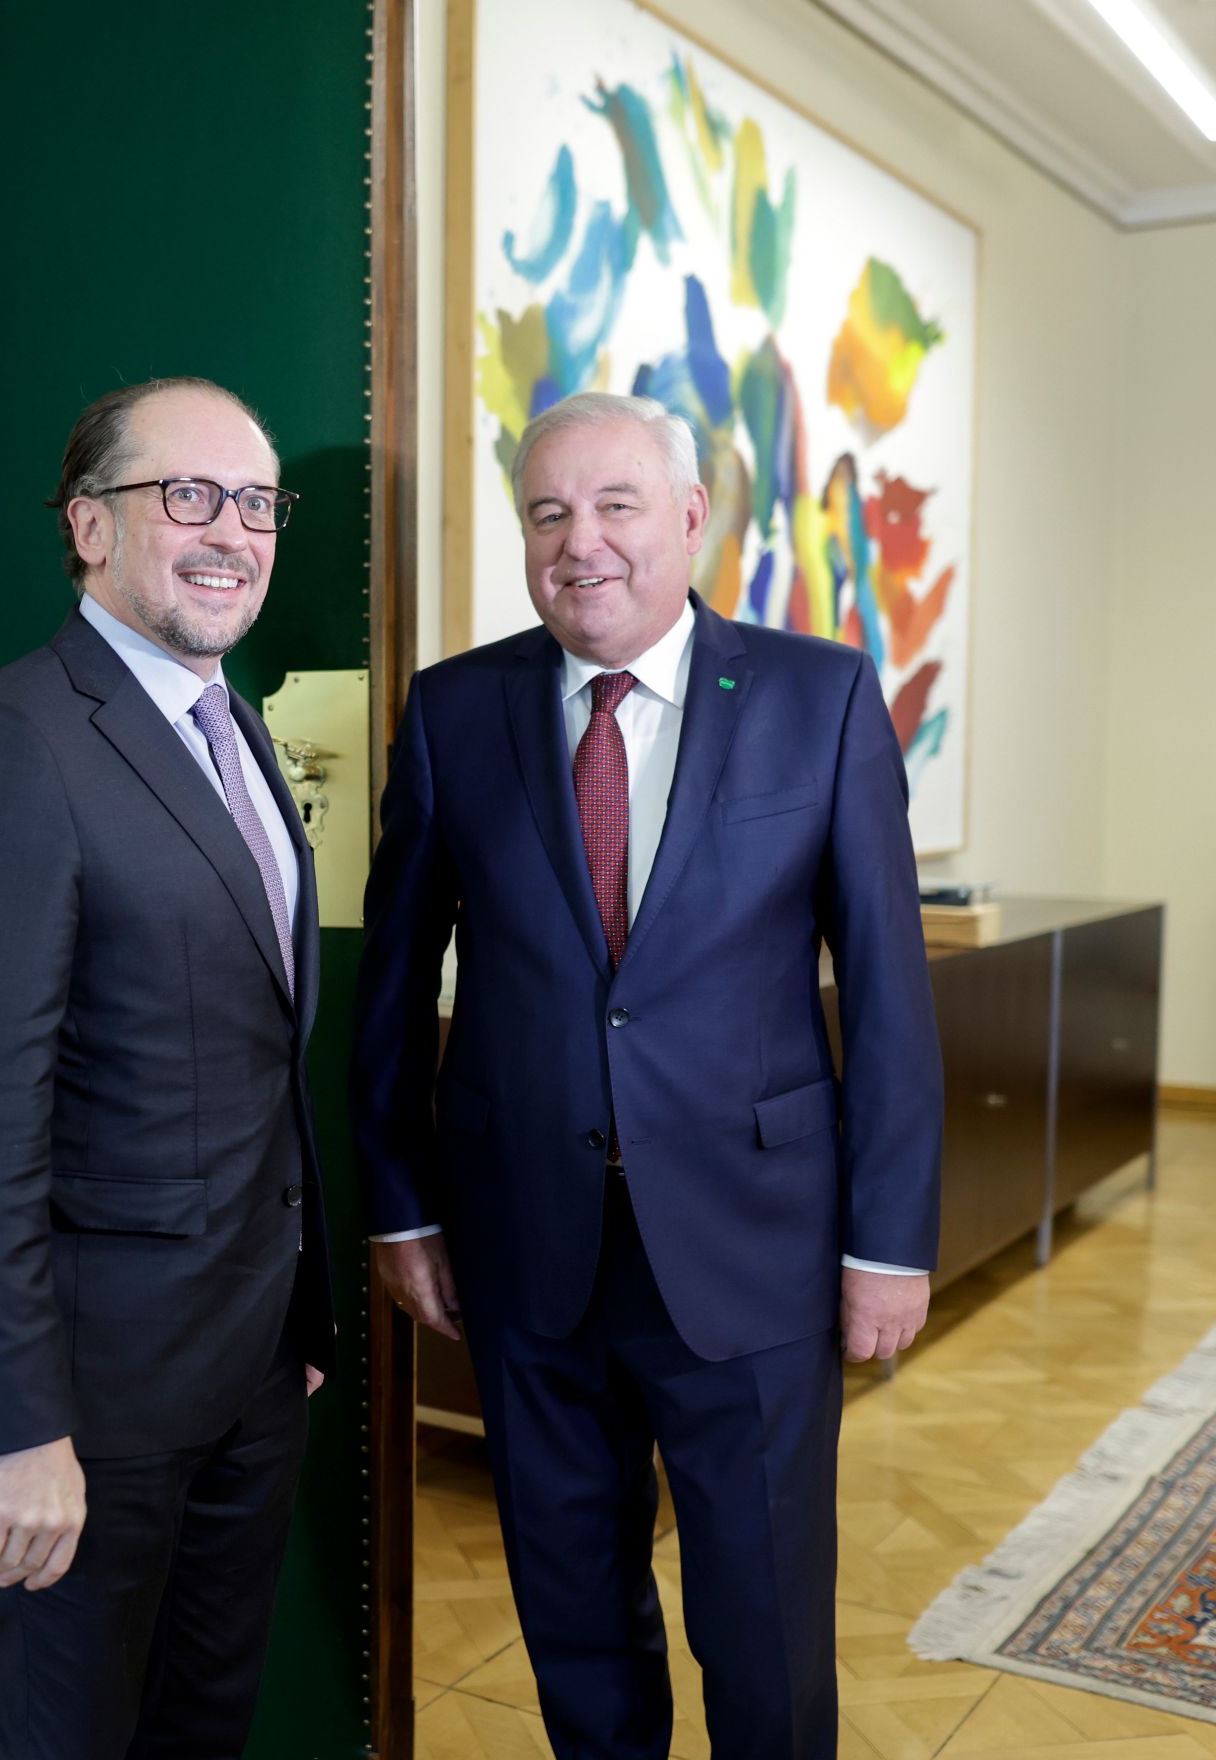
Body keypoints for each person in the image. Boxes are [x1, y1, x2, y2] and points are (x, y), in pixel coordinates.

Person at [352, 391, 943, 1758]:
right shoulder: (454, 711)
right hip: (523, 1244)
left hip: (754, 1246)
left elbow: (888, 992)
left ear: (689, 518)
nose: (582, 543)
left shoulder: (818, 697)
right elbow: (391, 983)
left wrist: (887, 1243)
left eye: (616, 505)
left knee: (764, 1617)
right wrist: (401, 1207)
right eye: (547, 514)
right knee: (571, 1611)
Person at [0, 377, 333, 1759]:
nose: (232, 532)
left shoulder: (233, 725)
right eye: (187, 495)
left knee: (202, 1726)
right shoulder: (13, 741)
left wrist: (292, 1326)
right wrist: (17, 1426)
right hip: (92, 1400)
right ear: (89, 526)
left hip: (251, 1369)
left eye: (256, 503)